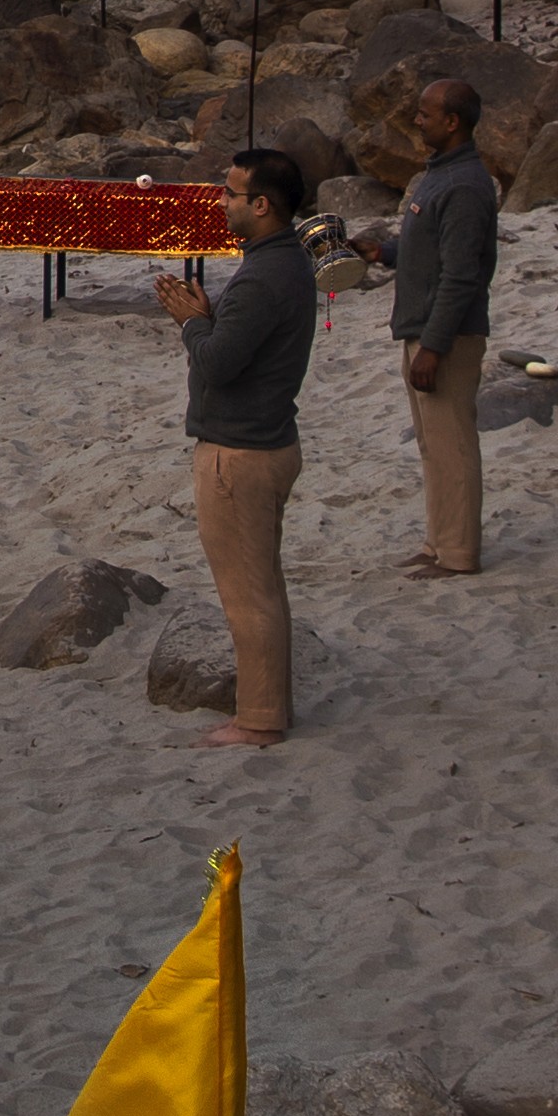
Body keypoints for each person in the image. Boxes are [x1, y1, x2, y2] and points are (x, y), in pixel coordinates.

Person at [156, 145, 323, 747]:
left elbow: (220, 362)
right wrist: (206, 319)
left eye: (230, 193)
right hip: (266, 440)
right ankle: (268, 708)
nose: (221, 201)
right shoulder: (286, 260)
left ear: (261, 204)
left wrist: (193, 322)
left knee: (248, 595)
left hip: (241, 453)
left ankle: (258, 720)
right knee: (263, 585)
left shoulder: (264, 275)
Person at [387, 72, 501, 576]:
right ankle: (439, 542)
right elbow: (431, 254)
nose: (417, 119)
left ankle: (458, 554)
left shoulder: (464, 186)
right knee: (433, 445)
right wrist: (383, 252)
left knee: (452, 446)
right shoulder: (441, 173)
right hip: (424, 329)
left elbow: (460, 276)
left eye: (426, 114)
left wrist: (432, 347)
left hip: (446, 336)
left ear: (452, 123)